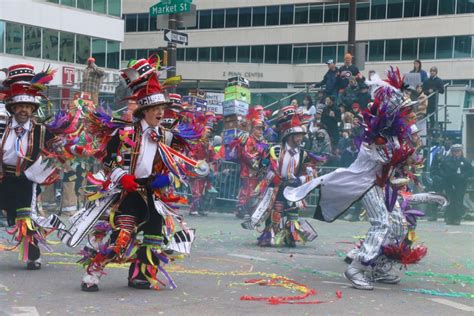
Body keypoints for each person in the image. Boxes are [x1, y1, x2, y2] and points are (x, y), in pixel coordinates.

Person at [283, 67, 429, 290]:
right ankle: (356, 268)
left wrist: (407, 160)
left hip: (383, 186)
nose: (408, 115)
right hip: (365, 184)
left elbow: (395, 163)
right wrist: (402, 159)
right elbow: (382, 160)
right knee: (381, 222)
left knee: (399, 226)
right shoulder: (374, 138)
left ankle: (379, 266)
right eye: (404, 111)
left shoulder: (393, 137)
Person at [79, 58, 198, 292]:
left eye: (162, 109)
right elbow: (108, 160)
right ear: (144, 111)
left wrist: (168, 179)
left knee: (153, 239)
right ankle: (93, 273)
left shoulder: (168, 136)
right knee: (121, 237)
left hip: (153, 195)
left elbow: (179, 166)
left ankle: (139, 275)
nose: (161, 113)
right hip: (129, 192)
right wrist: (122, 176)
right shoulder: (124, 132)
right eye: (156, 109)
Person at [0, 64, 63, 270]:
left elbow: (58, 153)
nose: (24, 110)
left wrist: (65, 148)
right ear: (13, 108)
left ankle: (33, 256)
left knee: (26, 217)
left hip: (26, 178)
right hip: (3, 176)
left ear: (33, 109)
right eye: (20, 106)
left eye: (28, 106)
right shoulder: (3, 127)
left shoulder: (42, 131)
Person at [253, 106, 318, 247]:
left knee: (293, 213)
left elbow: (310, 173)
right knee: (275, 211)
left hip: (293, 188)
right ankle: (269, 235)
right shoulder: (275, 150)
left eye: (302, 135)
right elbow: (261, 168)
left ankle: (290, 236)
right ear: (289, 135)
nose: (301, 138)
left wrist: (298, 180)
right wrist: (271, 176)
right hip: (276, 187)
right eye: (298, 135)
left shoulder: (303, 154)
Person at [235, 109, 269, 219]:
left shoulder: (264, 142)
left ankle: (251, 211)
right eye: (258, 128)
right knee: (246, 191)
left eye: (261, 129)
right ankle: (240, 209)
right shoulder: (248, 139)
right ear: (253, 129)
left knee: (256, 192)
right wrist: (255, 162)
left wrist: (264, 164)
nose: (260, 131)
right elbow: (246, 153)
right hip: (247, 170)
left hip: (258, 171)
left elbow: (265, 155)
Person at [439, 144, 473, 225]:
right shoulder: (446, 160)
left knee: (458, 201)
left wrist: (464, 175)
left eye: (458, 151)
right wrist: (444, 176)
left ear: (461, 152)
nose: (456, 153)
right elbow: (441, 170)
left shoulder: (465, 161)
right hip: (449, 183)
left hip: (460, 184)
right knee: (450, 200)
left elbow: (471, 171)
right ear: (452, 152)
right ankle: (449, 218)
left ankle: (457, 218)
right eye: (454, 151)